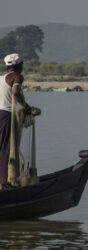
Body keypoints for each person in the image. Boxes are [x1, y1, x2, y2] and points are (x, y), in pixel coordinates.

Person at [0, 53, 31, 190]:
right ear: (18, 66)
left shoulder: (0, 79)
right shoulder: (16, 76)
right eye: (21, 65)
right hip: (6, 114)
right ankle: (3, 183)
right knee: (6, 148)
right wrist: (25, 106)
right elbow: (16, 92)